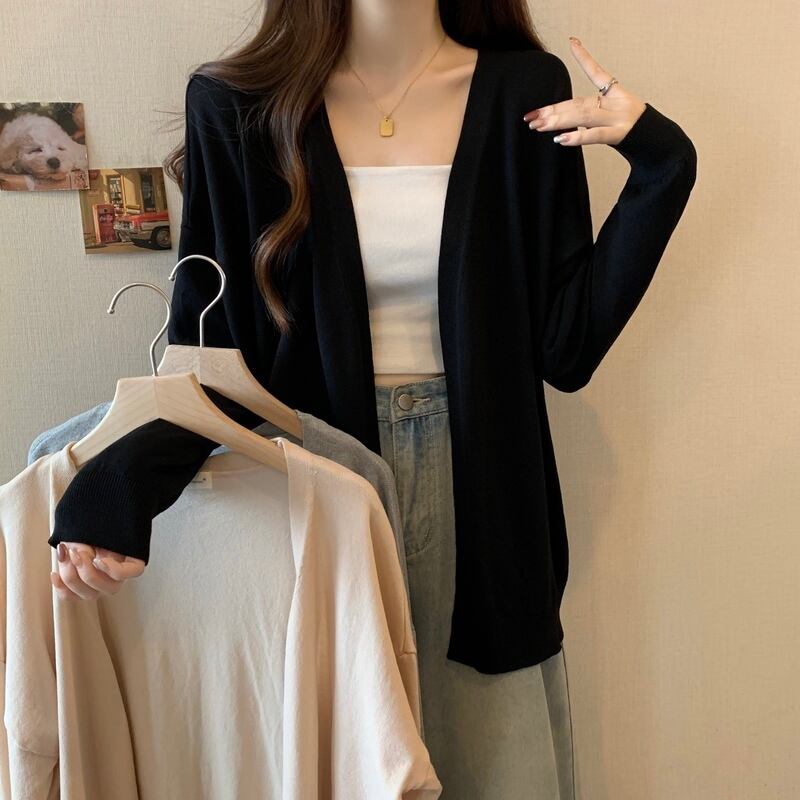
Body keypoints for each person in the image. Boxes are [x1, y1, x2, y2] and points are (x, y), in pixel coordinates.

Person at [47, 2, 697, 797]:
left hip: (487, 497)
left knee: (497, 765)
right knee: (342, 758)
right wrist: (122, 484)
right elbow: (215, 353)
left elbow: (566, 348)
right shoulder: (238, 106)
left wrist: (663, 164)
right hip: (313, 485)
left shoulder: (523, 90)